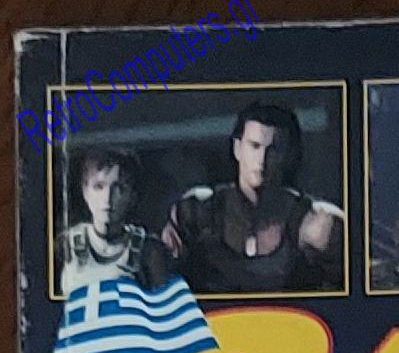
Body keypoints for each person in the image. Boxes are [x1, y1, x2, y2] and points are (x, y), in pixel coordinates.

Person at [165, 100, 344, 294]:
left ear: (289, 155)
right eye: (255, 146)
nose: (262, 160)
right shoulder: (195, 213)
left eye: (273, 149)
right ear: (237, 148)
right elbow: (159, 285)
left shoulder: (316, 225)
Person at [57, 146, 171, 291]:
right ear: (85, 191)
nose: (108, 197)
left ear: (132, 196)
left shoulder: (149, 251)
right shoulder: (65, 245)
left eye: (119, 188)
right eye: (98, 186)